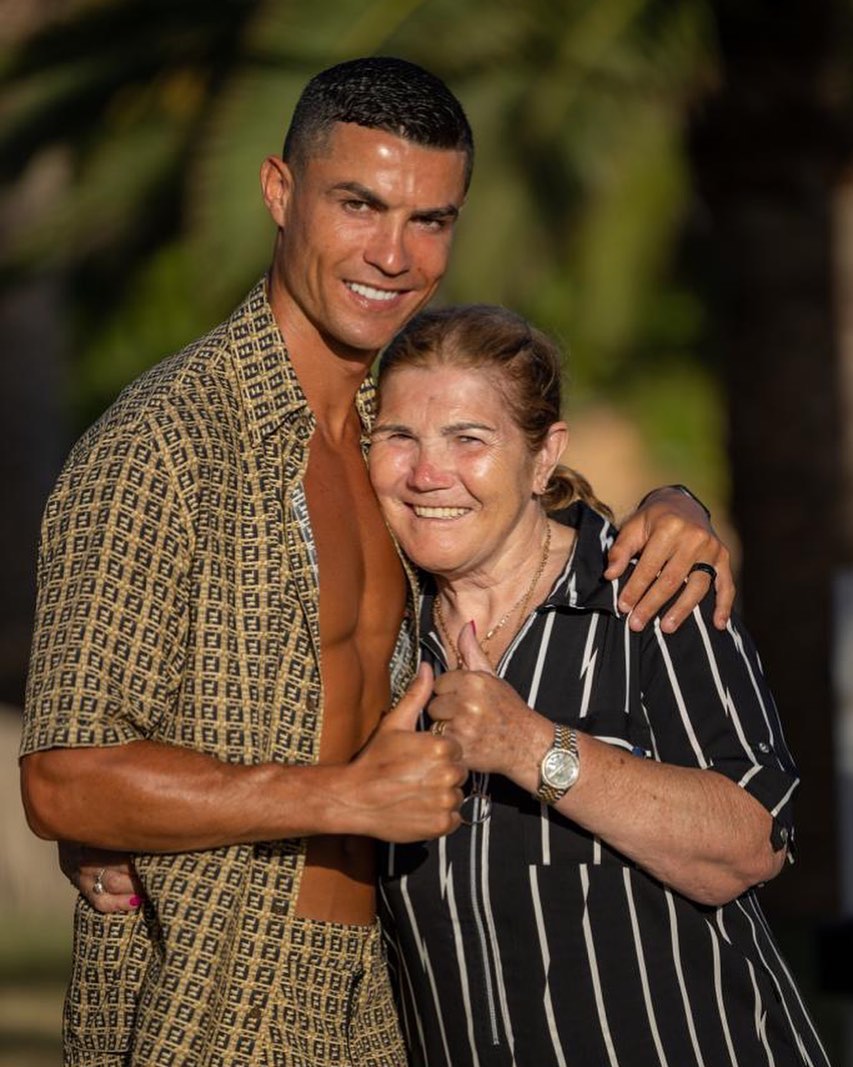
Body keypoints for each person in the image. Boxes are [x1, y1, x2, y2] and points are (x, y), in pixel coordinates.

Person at [20, 58, 732, 1067]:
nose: (393, 255)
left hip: (399, 1001)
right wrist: (342, 797)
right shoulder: (163, 448)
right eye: (359, 204)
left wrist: (674, 508)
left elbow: (541, 519)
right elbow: (61, 779)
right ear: (278, 192)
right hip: (217, 994)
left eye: (430, 219)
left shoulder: (397, 441)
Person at [366, 304, 829, 1066]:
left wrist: (531, 747)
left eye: (468, 440)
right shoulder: (373, 631)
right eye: (399, 438)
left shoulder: (649, 594)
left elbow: (752, 841)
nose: (426, 474)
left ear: (543, 456)